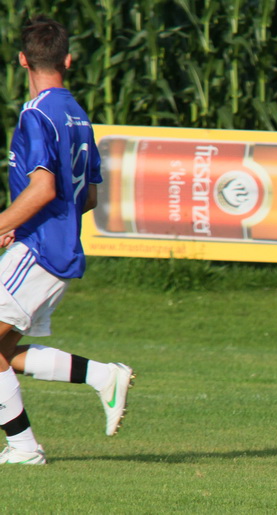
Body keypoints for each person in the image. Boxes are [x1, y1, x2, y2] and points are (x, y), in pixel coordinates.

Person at [0, 16, 134, 466]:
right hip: (57, 249)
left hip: (39, 251)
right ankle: (102, 376)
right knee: (4, 353)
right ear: (68, 60)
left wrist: (11, 222)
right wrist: (23, 221)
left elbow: (43, 190)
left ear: (23, 60)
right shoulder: (77, 114)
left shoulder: (36, 114)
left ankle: (24, 448)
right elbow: (88, 196)